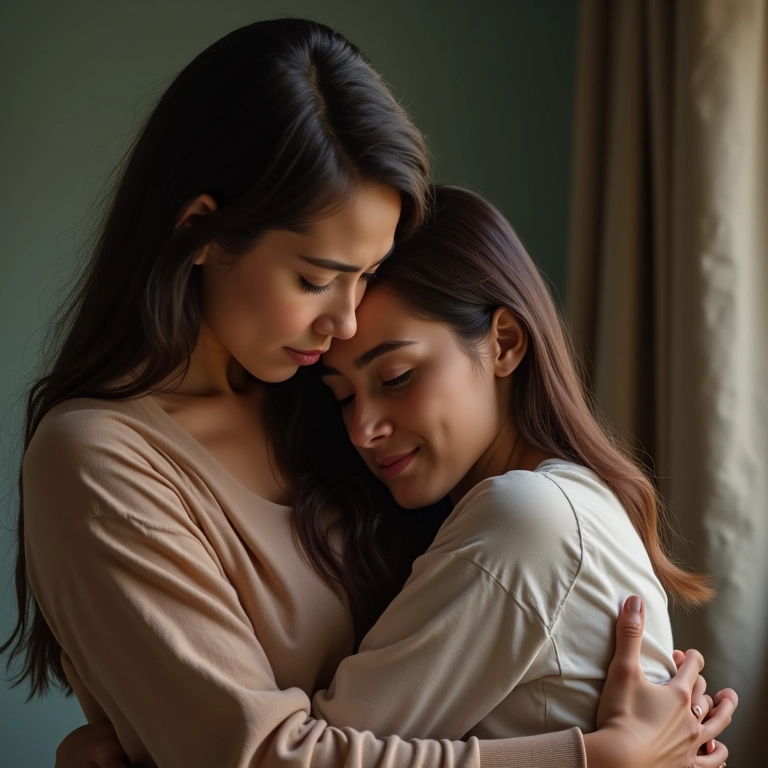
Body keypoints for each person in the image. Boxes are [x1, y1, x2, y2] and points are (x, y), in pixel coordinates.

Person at [3, 19, 734, 768]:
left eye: (366, 273)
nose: (346, 319)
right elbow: (258, 758)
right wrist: (590, 760)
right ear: (203, 233)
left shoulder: (320, 406)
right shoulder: (99, 458)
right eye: (316, 278)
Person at [312, 184, 724, 742]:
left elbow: (317, 754)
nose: (363, 428)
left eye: (396, 378)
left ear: (503, 342)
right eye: (343, 396)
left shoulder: (527, 516)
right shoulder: (570, 500)